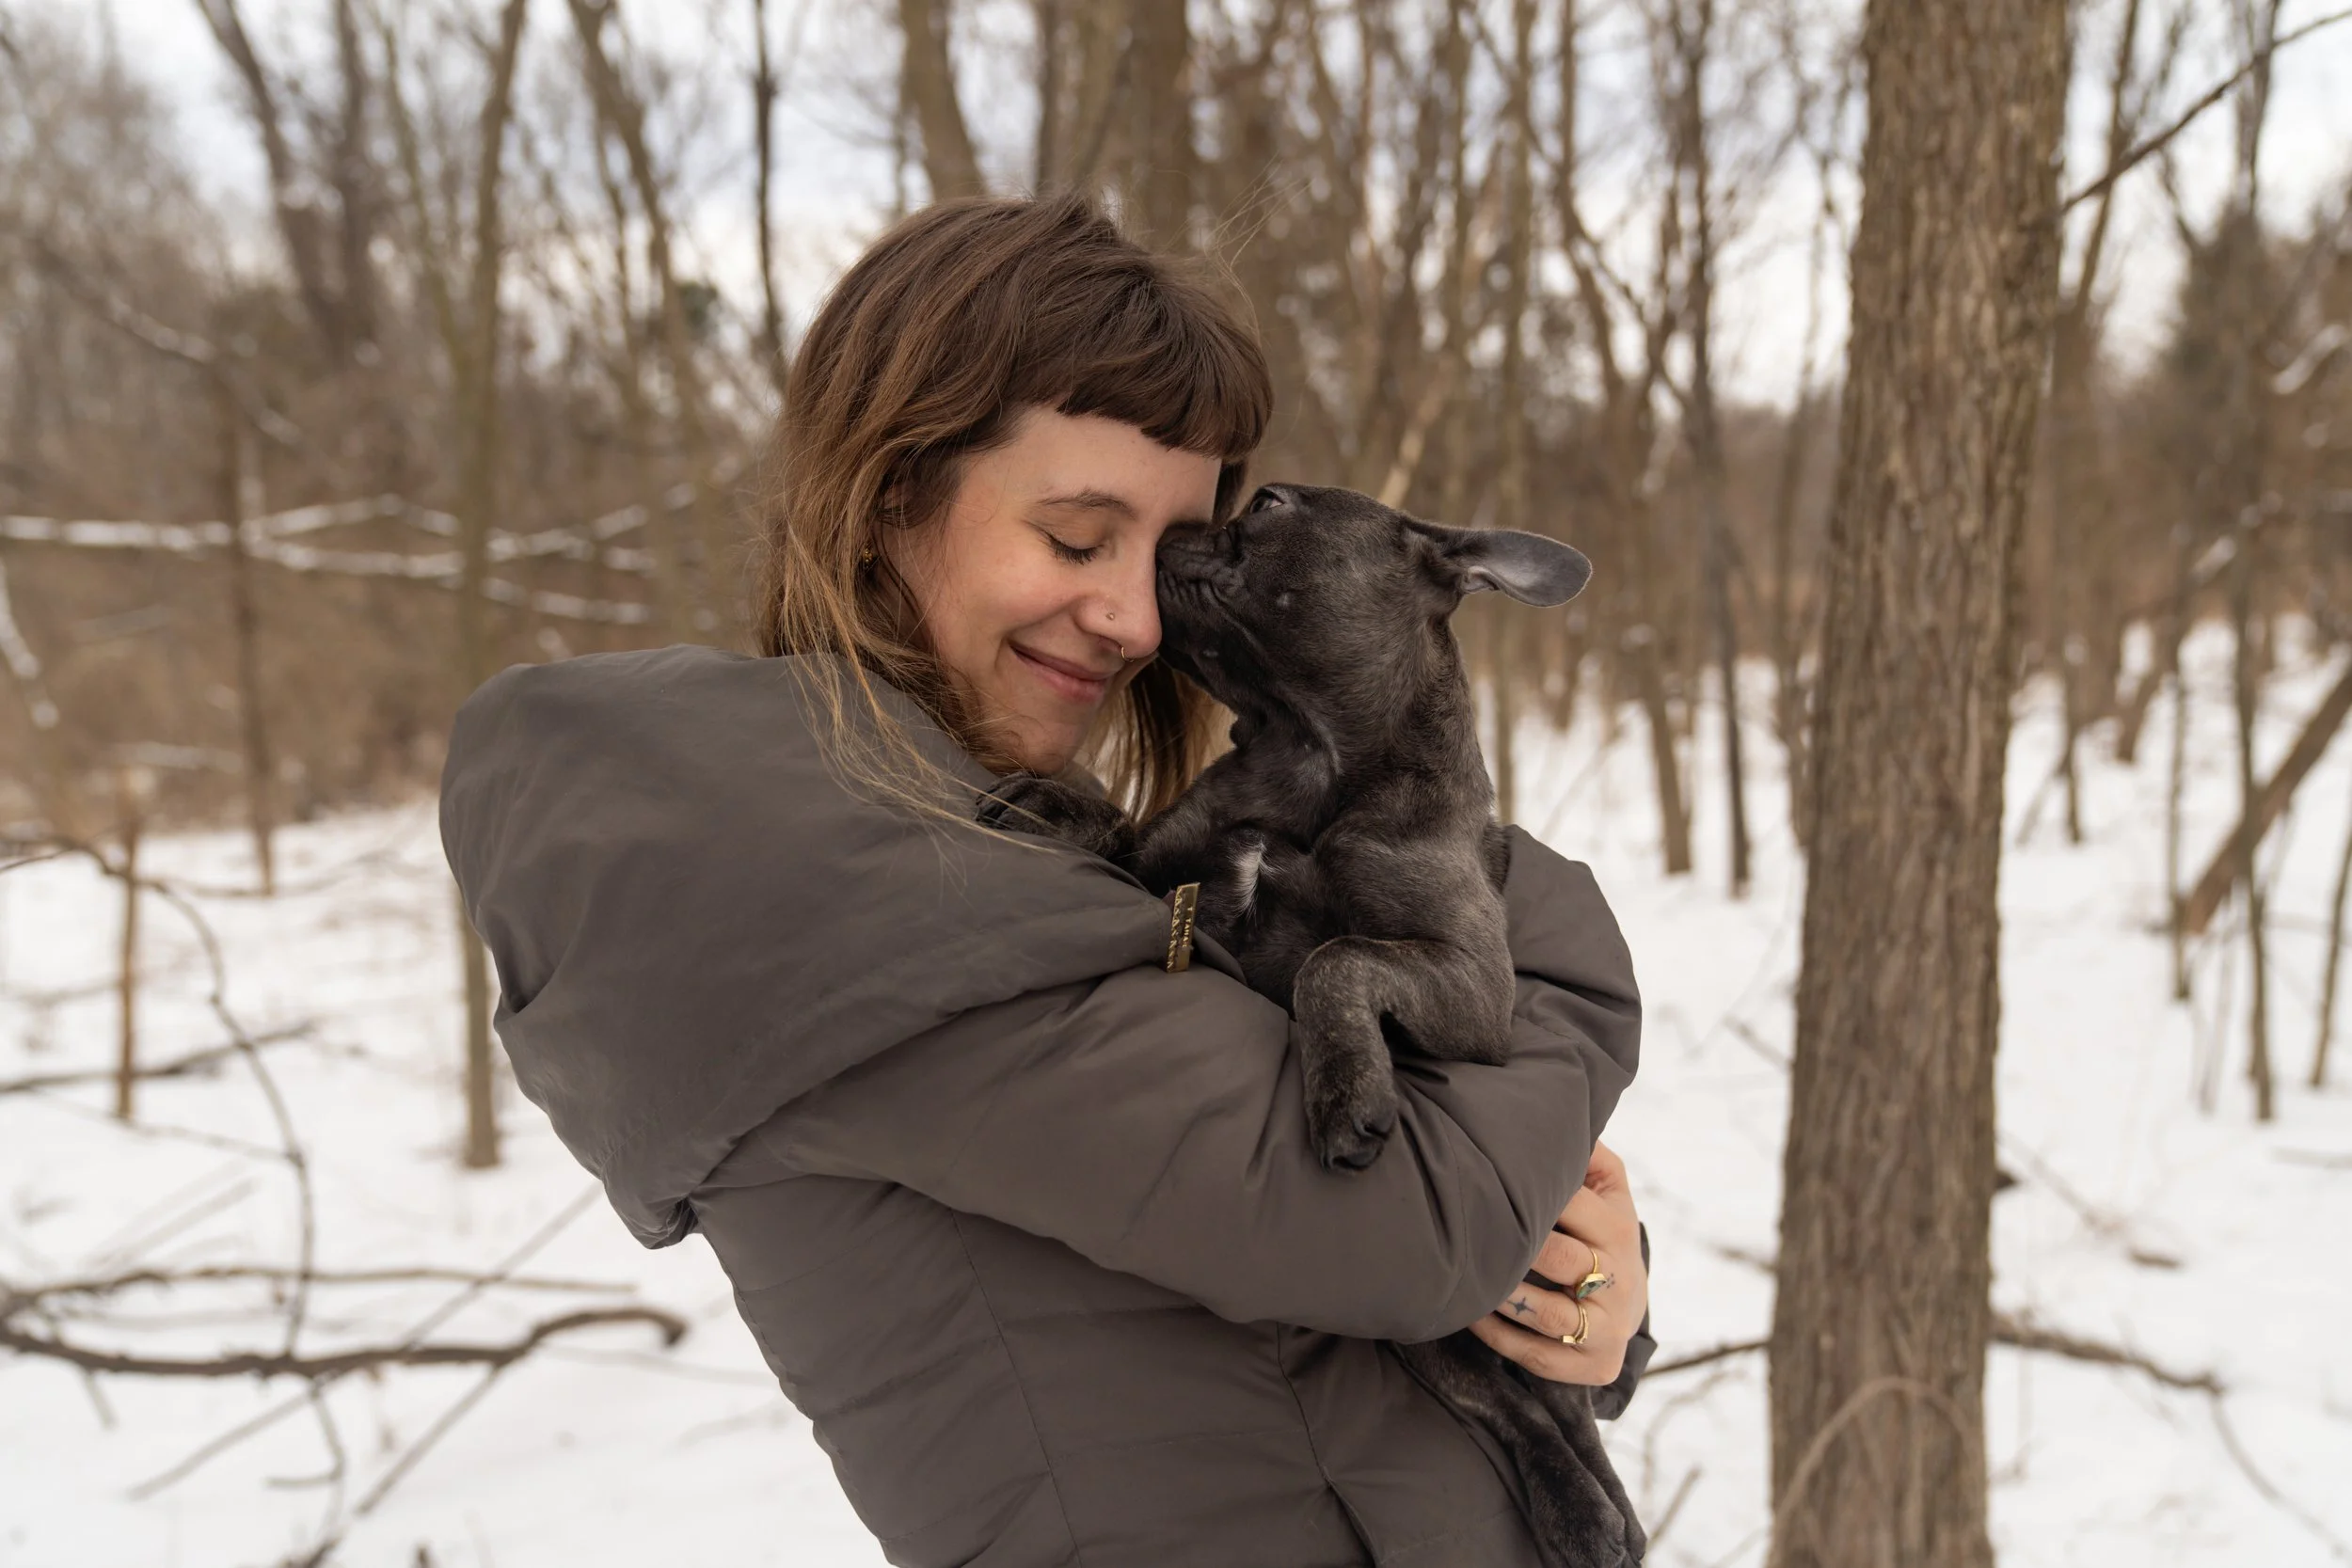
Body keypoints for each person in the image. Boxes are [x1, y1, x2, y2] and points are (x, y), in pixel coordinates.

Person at [439, 192, 1651, 1568]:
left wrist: (1581, 1288)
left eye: (1171, 553)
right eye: (1079, 539)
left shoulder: (1019, 855)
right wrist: (1537, 932)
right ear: (894, 493)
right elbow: (1413, 1228)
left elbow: (1393, 1251)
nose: (1138, 618)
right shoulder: (847, 902)